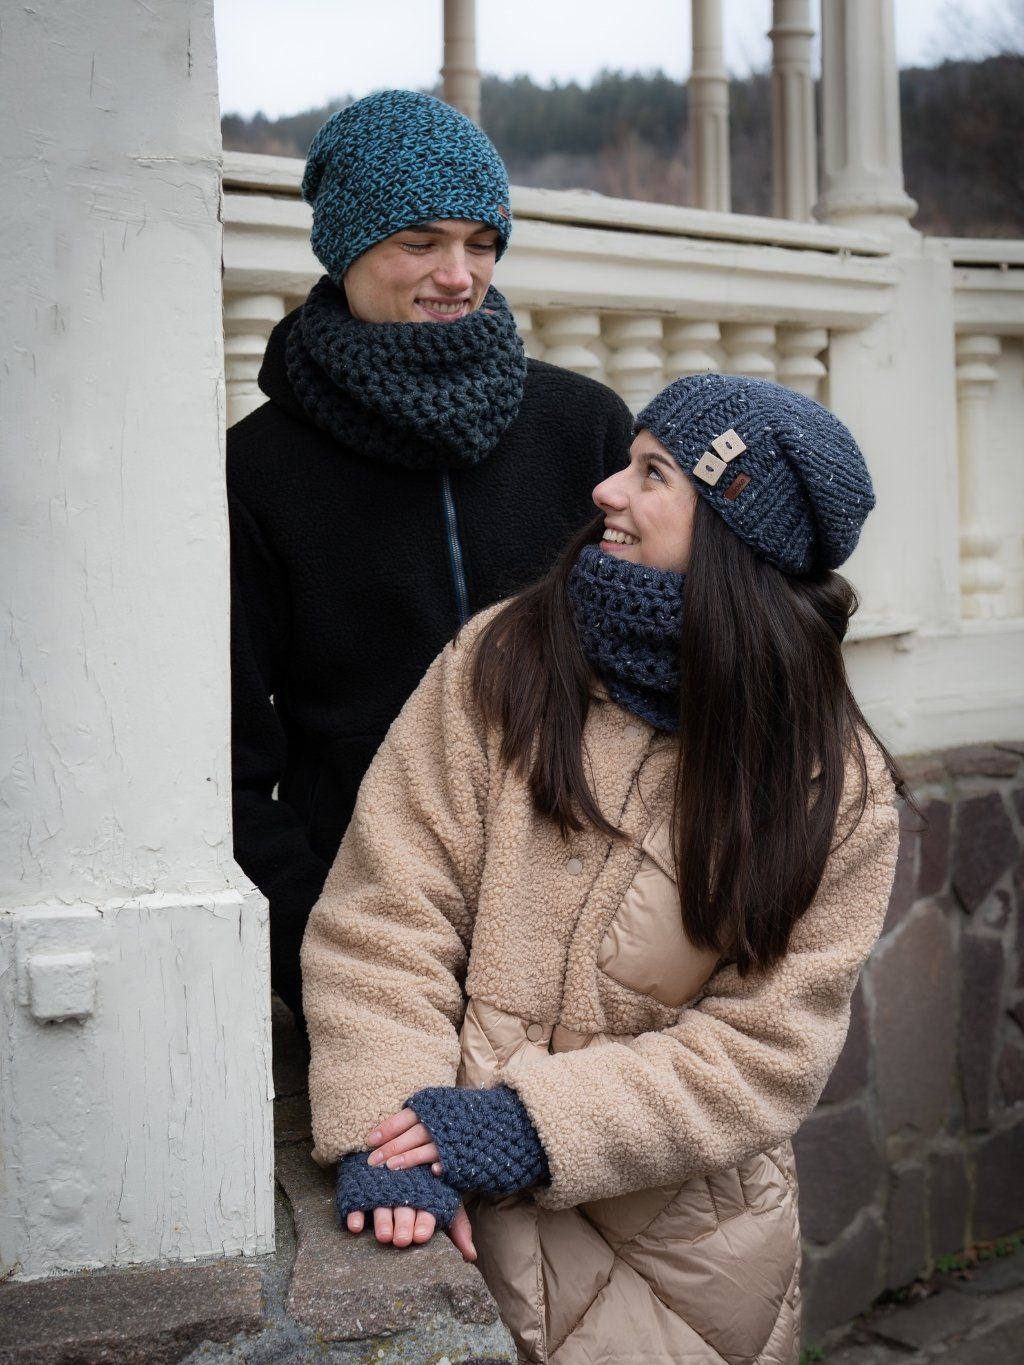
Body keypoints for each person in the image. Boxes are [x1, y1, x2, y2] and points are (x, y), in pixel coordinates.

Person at [301, 371, 905, 1362]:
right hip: (449, 1206)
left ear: (731, 528)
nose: (605, 491)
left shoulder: (829, 783)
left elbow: (765, 1052)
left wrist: (527, 1125)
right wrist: (386, 1129)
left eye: (653, 473)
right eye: (628, 462)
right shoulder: (503, 662)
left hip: (694, 1265)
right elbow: (385, 912)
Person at [228, 90, 632, 1025]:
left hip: (592, 937)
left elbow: (675, 674)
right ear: (346, 246)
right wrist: (325, 949)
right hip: (372, 947)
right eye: (421, 242)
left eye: (482, 244)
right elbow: (230, 767)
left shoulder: (585, 428)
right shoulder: (257, 471)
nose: (459, 275)